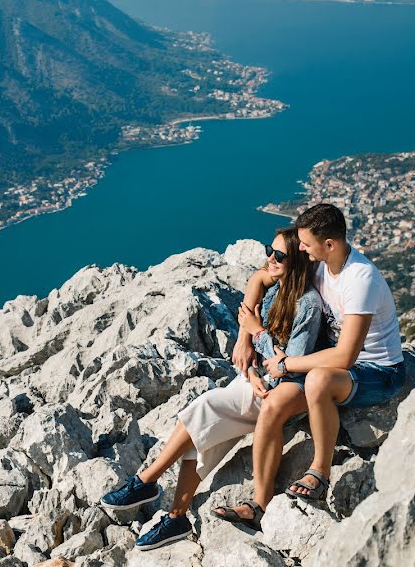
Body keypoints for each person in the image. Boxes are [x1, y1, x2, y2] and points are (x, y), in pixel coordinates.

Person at [100, 227, 323, 550]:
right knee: (202, 436)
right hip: (257, 379)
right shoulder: (279, 284)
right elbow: (257, 280)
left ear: (299, 261)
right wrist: (246, 345)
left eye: (279, 255)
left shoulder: (307, 304)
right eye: (268, 250)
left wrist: (254, 332)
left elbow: (291, 362)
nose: (269, 259)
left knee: (202, 409)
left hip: (277, 390)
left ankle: (146, 482)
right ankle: (176, 516)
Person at [256, 203, 405, 501]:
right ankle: (260, 499)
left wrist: (287, 365)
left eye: (306, 243)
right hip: (339, 367)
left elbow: (345, 356)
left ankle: (319, 472)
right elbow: (262, 277)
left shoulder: (360, 280)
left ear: (329, 244)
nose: (300, 248)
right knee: (281, 400)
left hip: (380, 371)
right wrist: (247, 327)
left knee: (317, 381)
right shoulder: (322, 263)